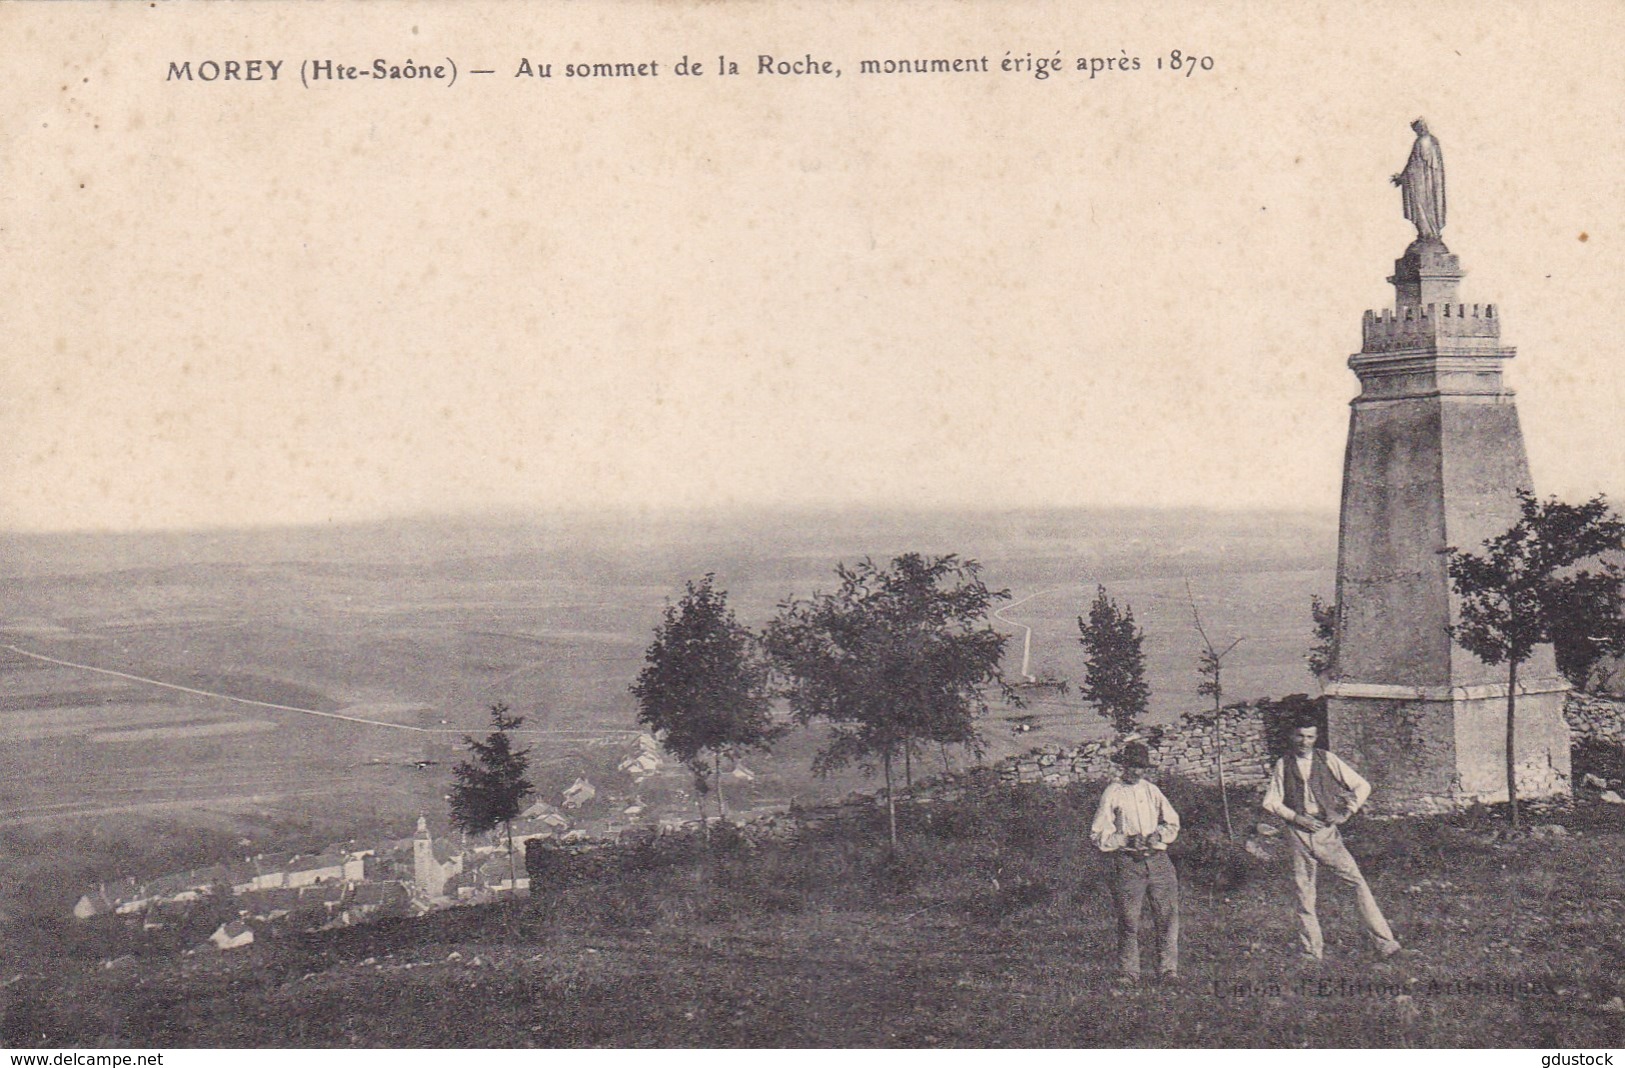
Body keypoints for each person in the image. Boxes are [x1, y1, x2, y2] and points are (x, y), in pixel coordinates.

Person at [1262, 717, 1404, 962]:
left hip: (1327, 832)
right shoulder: (1283, 764)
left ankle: (1385, 943)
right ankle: (1311, 953)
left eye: (1309, 737)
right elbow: (1271, 801)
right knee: (1304, 893)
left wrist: (1346, 812)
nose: (1304, 742)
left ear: (1316, 738)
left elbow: (1362, 786)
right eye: (1299, 736)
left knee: (1356, 882)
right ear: (1291, 736)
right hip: (1298, 833)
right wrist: (1296, 818)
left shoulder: (1327, 759)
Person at [1091, 740, 1181, 985]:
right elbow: (1098, 834)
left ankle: (1168, 971)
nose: (1136, 772)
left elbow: (1173, 821)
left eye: (1141, 767)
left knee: (1167, 917)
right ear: (1123, 766)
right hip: (1129, 864)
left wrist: (1158, 835)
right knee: (1129, 920)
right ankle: (1128, 973)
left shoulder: (1151, 790)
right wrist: (1126, 839)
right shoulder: (1113, 792)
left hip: (1159, 861)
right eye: (1132, 766)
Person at [1391, 117, 1446, 240]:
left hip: (1419, 183)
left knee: (1421, 207)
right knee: (1429, 207)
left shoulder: (1421, 142)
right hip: (1431, 185)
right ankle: (1431, 233)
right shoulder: (1433, 141)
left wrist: (1401, 178)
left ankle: (1427, 234)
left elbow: (1413, 164)